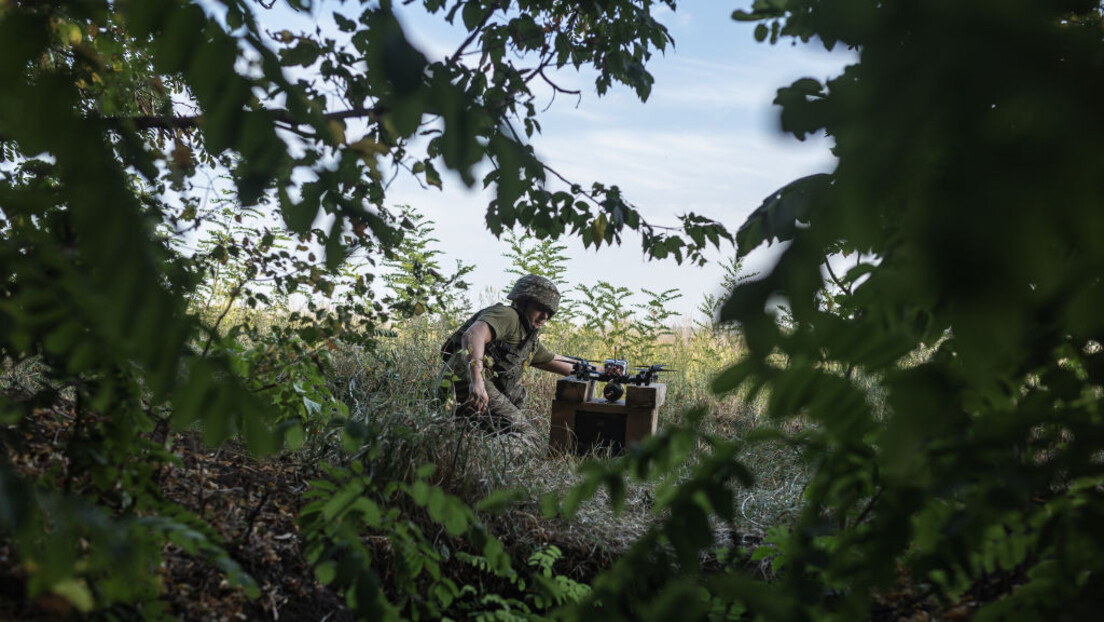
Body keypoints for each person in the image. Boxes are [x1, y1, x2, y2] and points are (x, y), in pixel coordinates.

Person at [438, 274, 575, 441]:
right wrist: (477, 381)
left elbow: (565, 364)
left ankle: (476, 438)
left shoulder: (527, 341)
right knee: (530, 439)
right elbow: (473, 334)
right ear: (522, 302)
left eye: (549, 312)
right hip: (465, 382)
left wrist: (607, 370)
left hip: (469, 388)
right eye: (540, 308)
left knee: (517, 392)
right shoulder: (508, 315)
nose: (545, 316)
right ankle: (483, 459)